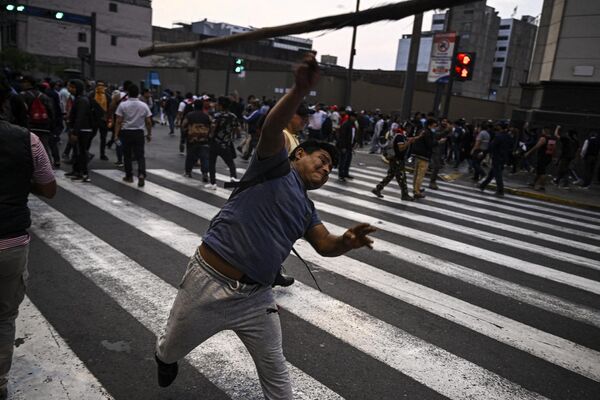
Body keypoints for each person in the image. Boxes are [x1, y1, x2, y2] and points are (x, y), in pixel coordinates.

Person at [154, 53, 376, 399]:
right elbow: (273, 127)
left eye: (331, 168)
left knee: (276, 372)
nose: (327, 169)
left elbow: (324, 245)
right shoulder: (272, 166)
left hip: (255, 298)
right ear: (299, 154)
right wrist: (300, 91)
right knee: (170, 349)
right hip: (209, 283)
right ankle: (164, 358)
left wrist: (347, 240)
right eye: (323, 160)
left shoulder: (307, 208)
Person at [0, 75, 57, 400]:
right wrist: (23, 182)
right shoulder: (27, 140)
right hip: (9, 241)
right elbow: (49, 188)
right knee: (5, 316)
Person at [114, 84, 152, 187]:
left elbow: (118, 121)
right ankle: (141, 174)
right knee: (140, 156)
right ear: (138, 94)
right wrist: (149, 134)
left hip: (126, 132)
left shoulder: (123, 105)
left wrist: (116, 134)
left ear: (128, 93)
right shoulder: (144, 105)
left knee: (127, 155)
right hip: (139, 133)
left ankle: (129, 176)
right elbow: (148, 121)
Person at [371, 125, 415, 201]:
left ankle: (377, 189)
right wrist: (409, 142)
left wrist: (417, 137)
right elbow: (401, 148)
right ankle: (404, 195)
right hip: (397, 160)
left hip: (395, 160)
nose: (410, 130)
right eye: (409, 128)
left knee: (390, 176)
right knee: (402, 178)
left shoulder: (400, 135)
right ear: (406, 128)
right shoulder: (400, 137)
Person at [205, 96, 239, 190]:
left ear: (220, 105)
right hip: (226, 143)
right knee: (230, 163)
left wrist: (210, 137)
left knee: (212, 163)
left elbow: (213, 128)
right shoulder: (233, 116)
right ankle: (233, 178)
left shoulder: (217, 116)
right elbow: (237, 130)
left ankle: (213, 183)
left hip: (215, 143)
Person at [65, 79, 94, 182]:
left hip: (83, 130)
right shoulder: (78, 99)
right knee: (77, 152)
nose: (70, 89)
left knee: (81, 152)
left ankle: (84, 173)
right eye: (69, 87)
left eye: (72, 87)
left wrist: (75, 132)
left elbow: (80, 117)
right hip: (81, 129)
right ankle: (77, 171)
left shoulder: (82, 100)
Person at [479, 123, 513, 196]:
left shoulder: (498, 136)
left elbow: (492, 146)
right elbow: (511, 147)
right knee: (492, 173)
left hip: (497, 157)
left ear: (500, 127)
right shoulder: (508, 136)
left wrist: (483, 153)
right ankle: (483, 185)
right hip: (504, 157)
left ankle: (500, 191)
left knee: (497, 174)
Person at [181, 99, 211, 181]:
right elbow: (211, 126)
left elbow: (183, 125)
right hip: (204, 139)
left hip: (192, 139)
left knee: (190, 156)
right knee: (204, 157)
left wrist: (185, 133)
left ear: (194, 106)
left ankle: (188, 172)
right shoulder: (206, 116)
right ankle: (205, 173)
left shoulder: (190, 115)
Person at [411, 118, 438, 199]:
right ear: (431, 124)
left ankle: (415, 188)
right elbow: (430, 144)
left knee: (416, 174)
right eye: (434, 124)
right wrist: (438, 142)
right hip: (424, 156)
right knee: (420, 175)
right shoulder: (428, 132)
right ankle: (417, 192)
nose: (435, 125)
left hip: (417, 154)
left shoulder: (422, 130)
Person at [525, 126, 558, 191]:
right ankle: (534, 183)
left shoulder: (543, 138)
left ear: (544, 131)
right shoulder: (552, 139)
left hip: (542, 156)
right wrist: (554, 157)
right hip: (548, 157)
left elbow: (536, 146)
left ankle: (541, 186)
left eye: (542, 131)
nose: (541, 132)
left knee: (542, 172)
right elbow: (554, 149)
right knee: (539, 170)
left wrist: (528, 152)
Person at [90, 80, 111, 161]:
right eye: (98, 85)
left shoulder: (107, 96)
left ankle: (102, 154)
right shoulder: (92, 95)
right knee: (91, 136)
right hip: (94, 119)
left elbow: (110, 108)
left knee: (103, 138)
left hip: (103, 120)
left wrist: (108, 118)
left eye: (102, 85)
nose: (100, 87)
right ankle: (86, 151)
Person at [337, 111, 358, 182]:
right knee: (343, 161)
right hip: (345, 146)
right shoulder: (345, 124)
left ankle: (346, 173)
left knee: (348, 160)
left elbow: (354, 134)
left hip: (350, 146)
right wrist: (342, 147)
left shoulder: (353, 124)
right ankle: (341, 175)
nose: (355, 118)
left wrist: (354, 143)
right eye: (354, 117)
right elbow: (342, 136)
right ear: (351, 117)